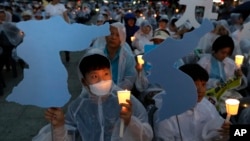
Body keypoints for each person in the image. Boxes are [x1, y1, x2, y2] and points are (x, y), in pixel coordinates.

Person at [42, 48, 153, 141]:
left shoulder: (126, 102)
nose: (102, 81)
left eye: (106, 74)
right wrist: (59, 126)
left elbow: (147, 136)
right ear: (84, 81)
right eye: (94, 76)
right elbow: (67, 138)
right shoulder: (77, 108)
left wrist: (130, 121)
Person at [154, 64, 230, 141]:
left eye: (203, 85)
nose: (201, 90)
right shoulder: (165, 115)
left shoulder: (206, 105)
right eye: (194, 86)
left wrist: (225, 130)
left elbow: (217, 130)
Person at [197, 35, 247, 114]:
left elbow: (239, 84)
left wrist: (238, 76)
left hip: (226, 93)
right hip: (210, 93)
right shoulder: (205, 62)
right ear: (215, 50)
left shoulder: (230, 63)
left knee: (239, 105)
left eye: (227, 53)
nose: (225, 56)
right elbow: (198, 80)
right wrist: (214, 83)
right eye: (223, 52)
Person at [91, 22, 137, 90]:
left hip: (119, 93)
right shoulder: (96, 55)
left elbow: (129, 79)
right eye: (111, 34)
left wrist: (115, 92)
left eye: (118, 35)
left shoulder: (127, 57)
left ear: (122, 39)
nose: (113, 37)